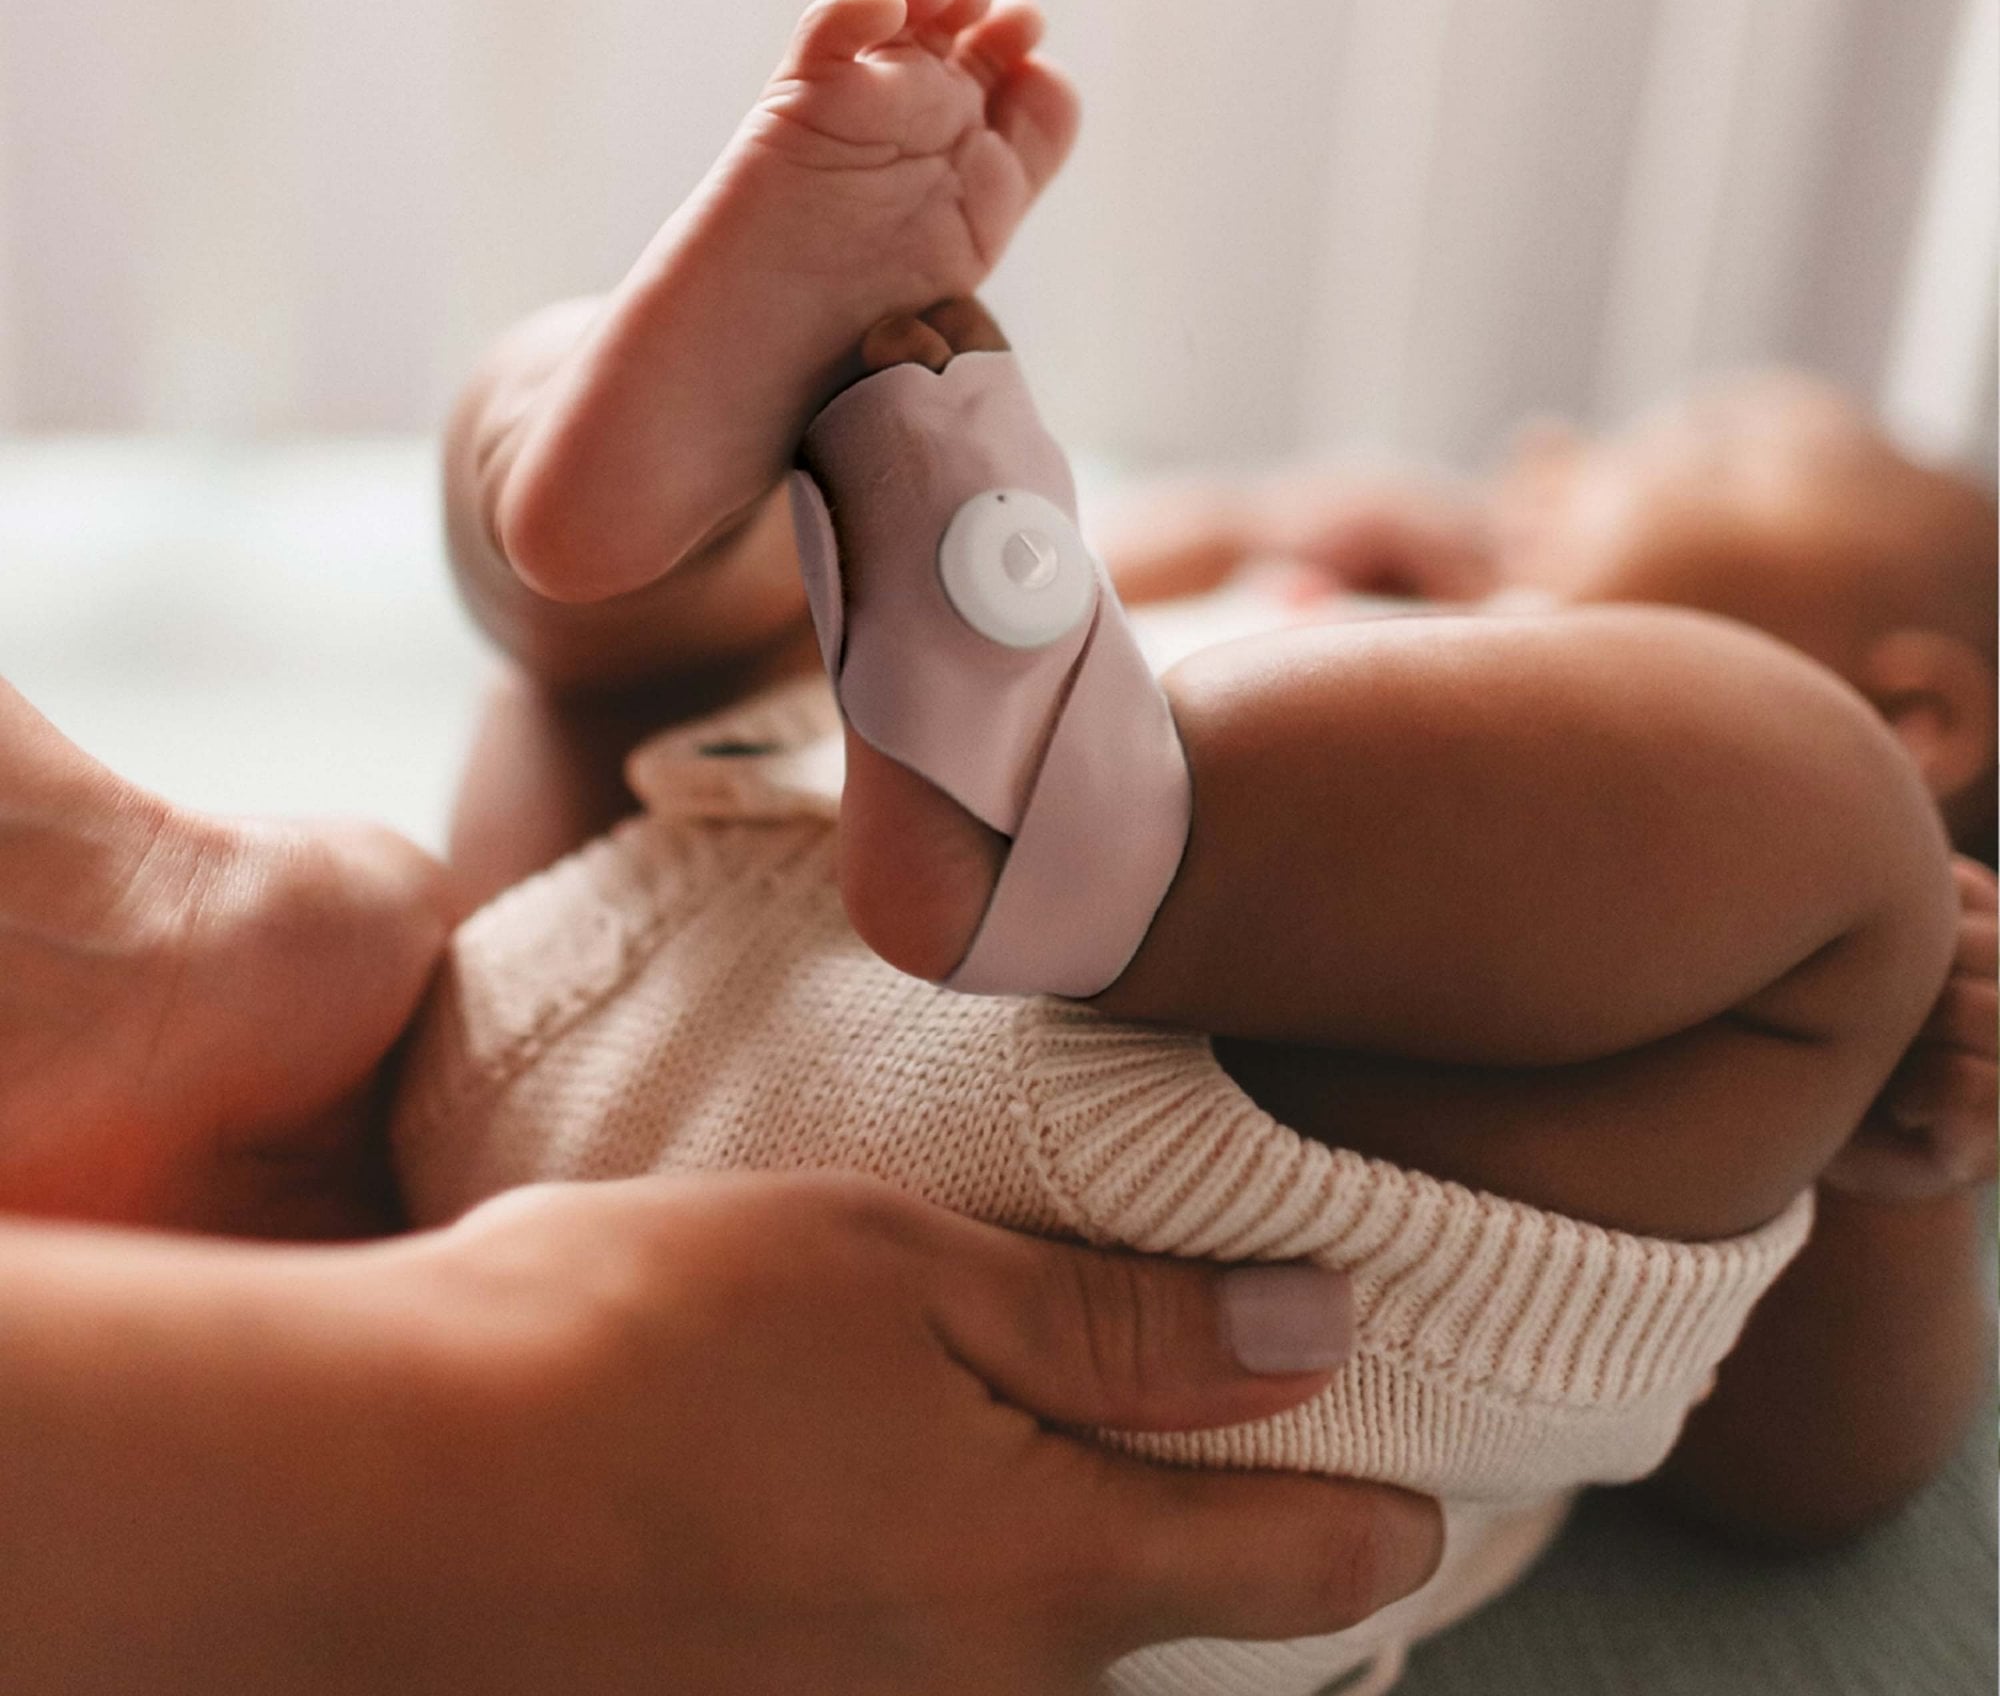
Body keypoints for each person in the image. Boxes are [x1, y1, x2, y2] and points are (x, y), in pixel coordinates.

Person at [396, 0, 1996, 1691]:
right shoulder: (1310, 583)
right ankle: (608, 490)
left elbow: (1805, 1479)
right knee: (656, 615)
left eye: (1679, 444)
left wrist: (1890, 1155)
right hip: (639, 959)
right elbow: (983, 561)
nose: (1537, 450)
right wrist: (1237, 527)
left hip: (1173, 1315)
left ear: (1927, 712)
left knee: (1819, 816)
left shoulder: (1778, 907)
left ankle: (1026, 785)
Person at [0, 674, 1444, 1692]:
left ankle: (624, 559)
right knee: (609, 642)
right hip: (944, 1305)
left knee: (614, 672)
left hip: (642, 1028)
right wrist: (424, 1474)